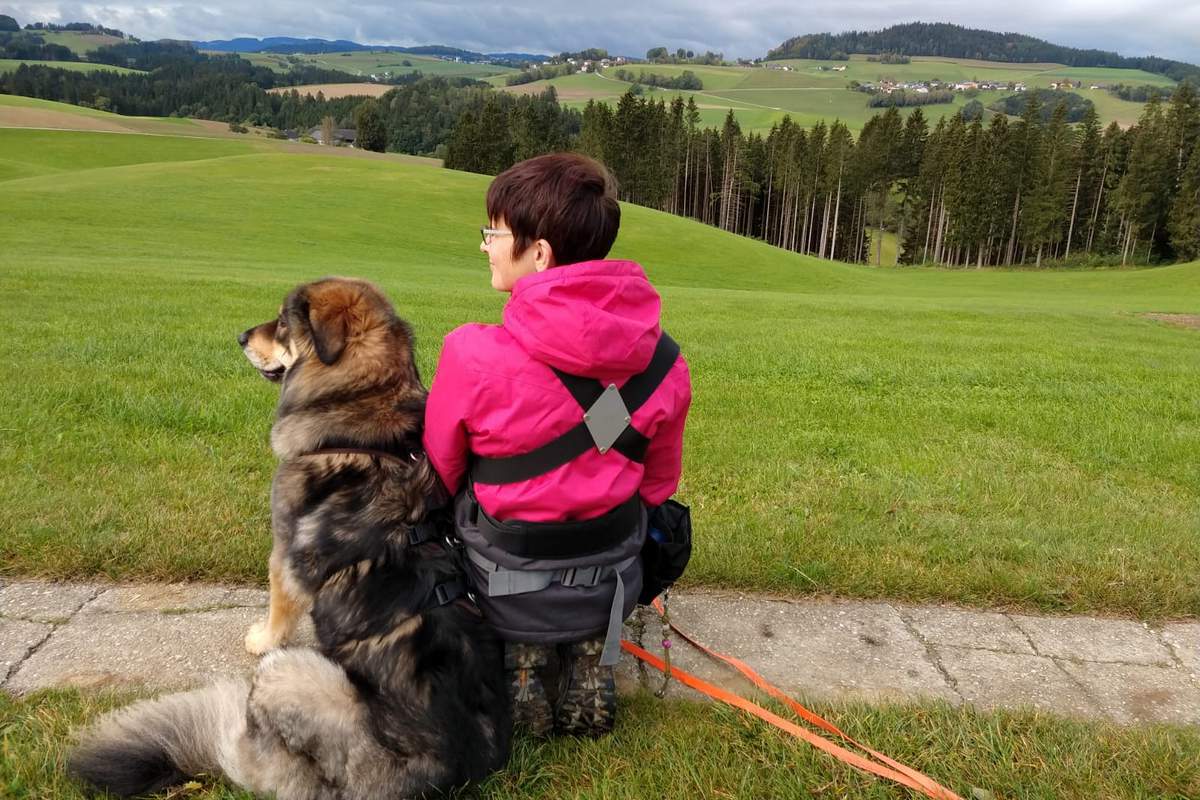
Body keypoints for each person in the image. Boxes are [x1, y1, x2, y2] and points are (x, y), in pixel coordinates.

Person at [423, 152, 691, 737]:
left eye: (493, 233)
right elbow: (658, 485)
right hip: (610, 570)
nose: (485, 245)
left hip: (500, 571)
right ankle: (590, 646)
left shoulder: (470, 354)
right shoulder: (665, 362)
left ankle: (524, 656)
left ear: (538, 253)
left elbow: (441, 474)